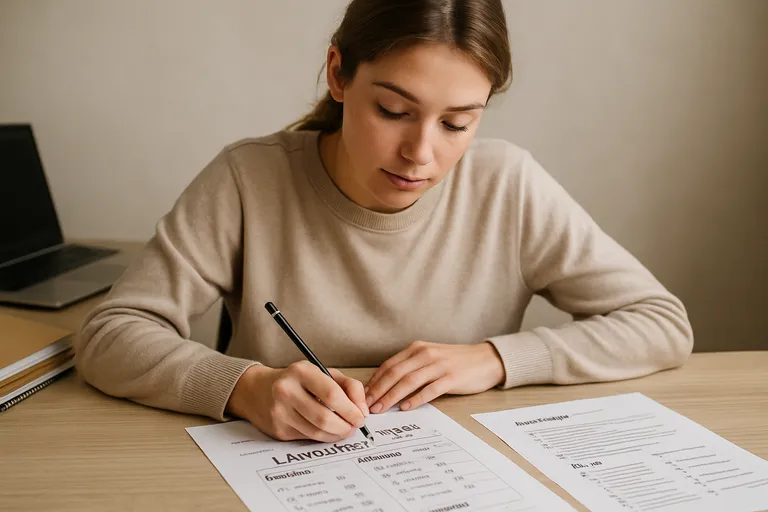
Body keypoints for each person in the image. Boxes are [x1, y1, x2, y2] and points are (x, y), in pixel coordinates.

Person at [76, 0, 693, 444]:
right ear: (339, 73)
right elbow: (111, 336)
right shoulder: (248, 179)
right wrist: (243, 386)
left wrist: (494, 359)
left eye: (458, 123)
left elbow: (661, 323)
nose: (421, 154)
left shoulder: (509, 184)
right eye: (394, 110)